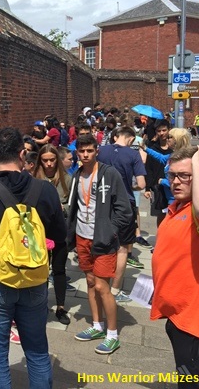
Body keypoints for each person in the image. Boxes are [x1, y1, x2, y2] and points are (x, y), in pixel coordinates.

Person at [0, 128, 67, 389]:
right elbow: (60, 235)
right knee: (38, 350)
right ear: (22, 154)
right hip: (34, 277)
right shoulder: (45, 190)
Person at [67, 134, 133, 355]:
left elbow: (124, 210)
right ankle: (97, 325)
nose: (85, 155)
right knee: (90, 281)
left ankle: (112, 335)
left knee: (103, 287)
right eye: (81, 151)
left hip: (103, 239)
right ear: (77, 153)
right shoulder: (76, 175)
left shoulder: (109, 174)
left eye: (89, 151)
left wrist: (110, 231)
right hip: (82, 237)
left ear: (97, 151)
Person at [151, 146, 199, 384]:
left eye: (184, 175)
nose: (175, 181)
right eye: (172, 175)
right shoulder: (176, 208)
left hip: (197, 326)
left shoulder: (198, 211)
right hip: (178, 319)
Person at [96, 126, 146, 303]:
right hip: (125, 204)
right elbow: (141, 183)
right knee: (123, 248)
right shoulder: (133, 155)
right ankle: (115, 290)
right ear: (131, 139)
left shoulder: (100, 151)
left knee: (102, 244)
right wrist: (129, 187)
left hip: (102, 202)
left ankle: (100, 283)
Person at [33, 144, 74, 325]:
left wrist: (62, 208)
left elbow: (73, 206)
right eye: (45, 160)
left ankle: (60, 306)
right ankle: (38, 304)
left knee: (59, 270)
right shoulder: (33, 180)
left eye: (52, 160)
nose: (49, 164)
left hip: (59, 231)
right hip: (38, 232)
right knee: (39, 270)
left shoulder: (67, 179)